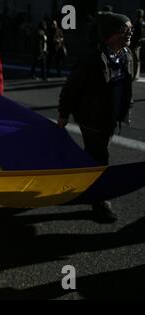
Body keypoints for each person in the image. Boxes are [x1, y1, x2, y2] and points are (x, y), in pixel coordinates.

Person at [58, 12, 134, 223]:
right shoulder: (92, 59)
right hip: (92, 119)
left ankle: (79, 184)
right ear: (108, 34)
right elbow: (70, 89)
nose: (129, 34)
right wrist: (64, 114)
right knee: (100, 157)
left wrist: (126, 110)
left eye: (130, 30)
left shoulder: (127, 54)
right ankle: (100, 202)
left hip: (112, 117)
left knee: (94, 154)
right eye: (124, 30)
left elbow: (126, 87)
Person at [130, 9, 145, 80]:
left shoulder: (139, 23)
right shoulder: (140, 22)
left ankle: (135, 75)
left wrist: (139, 41)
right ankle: (136, 75)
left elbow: (140, 34)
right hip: (136, 43)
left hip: (136, 43)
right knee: (136, 59)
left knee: (135, 59)